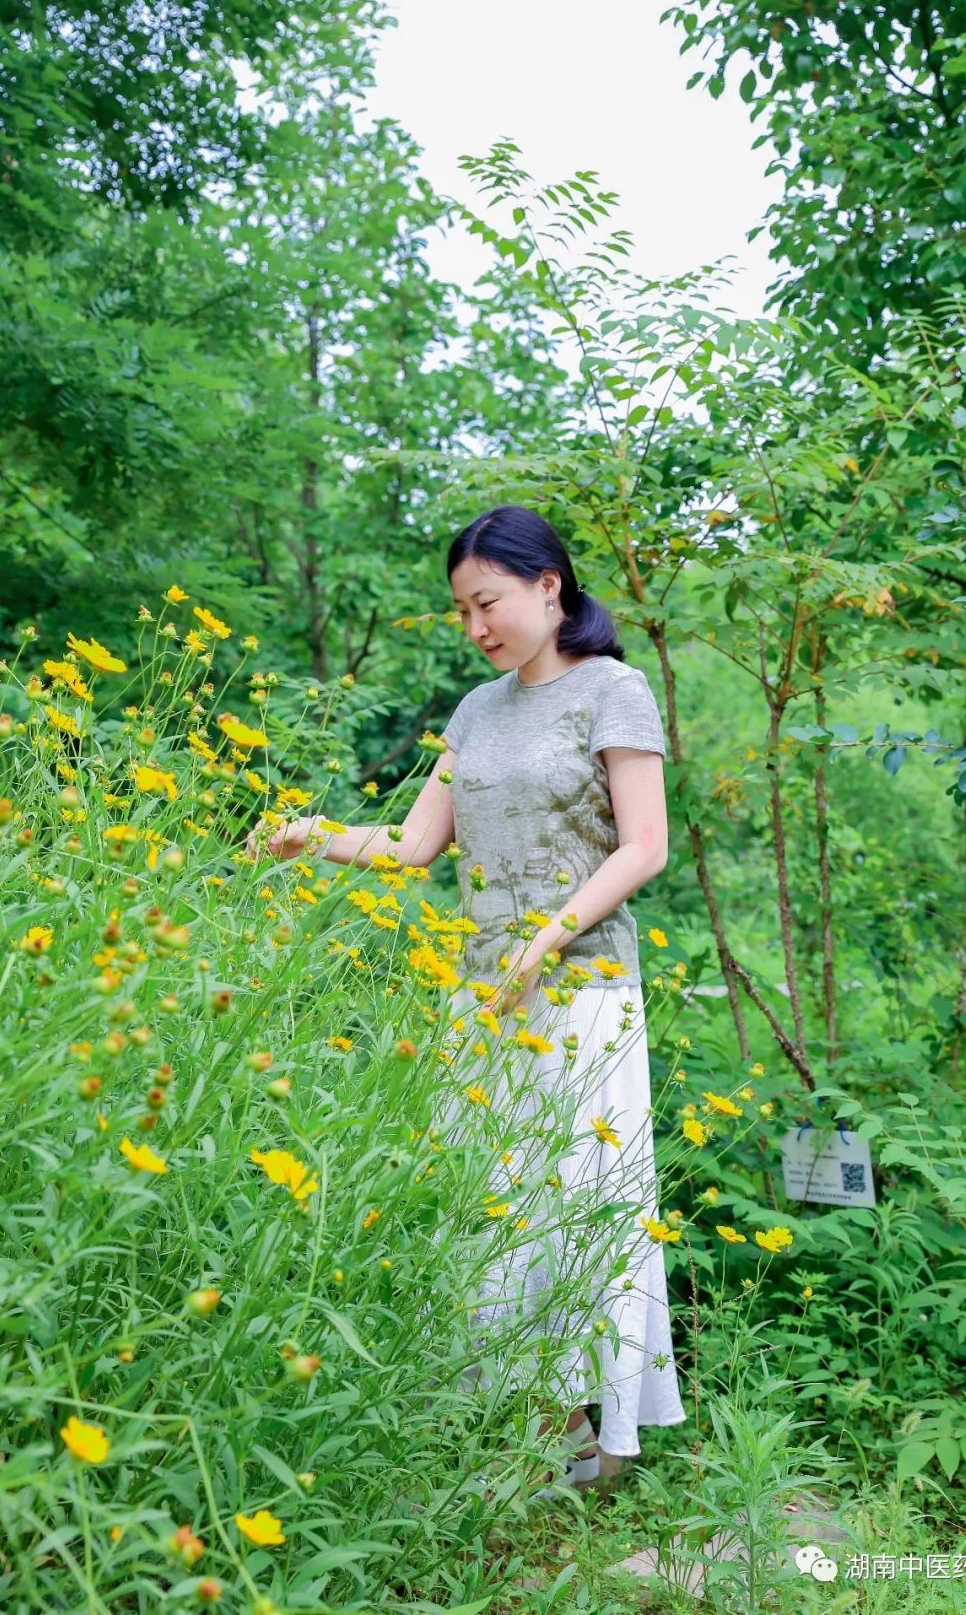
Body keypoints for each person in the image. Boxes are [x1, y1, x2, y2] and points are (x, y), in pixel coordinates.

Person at [247, 502, 687, 1491]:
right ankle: (528, 1420)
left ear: (548, 585)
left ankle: (600, 1436)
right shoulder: (475, 711)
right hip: (483, 998)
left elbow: (645, 846)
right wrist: (312, 834)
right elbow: (411, 848)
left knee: (583, 1203)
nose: (477, 624)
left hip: (582, 994)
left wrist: (553, 931)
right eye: (461, 609)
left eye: (487, 600)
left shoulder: (614, 690)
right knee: (497, 1211)